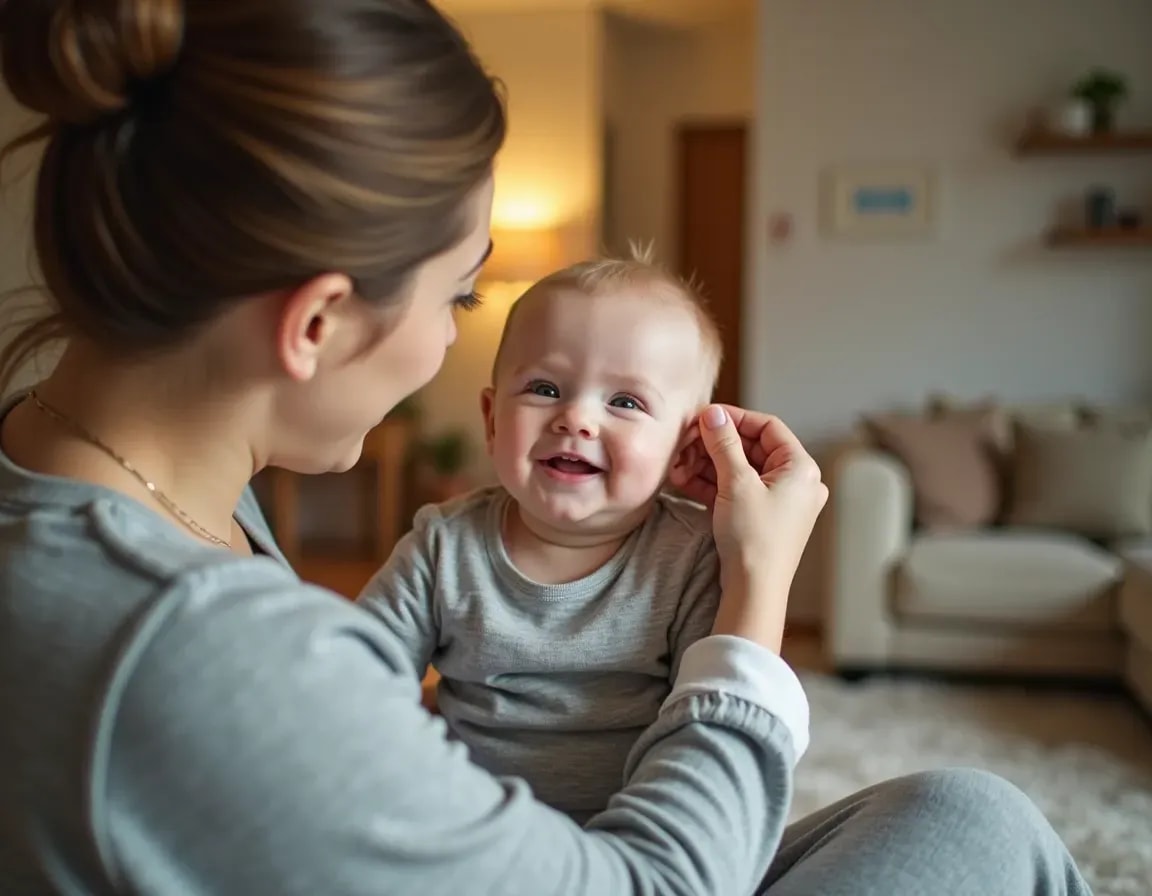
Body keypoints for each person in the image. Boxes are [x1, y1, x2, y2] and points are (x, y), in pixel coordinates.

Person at [0, 1, 1091, 894]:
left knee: (959, 808)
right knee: (990, 843)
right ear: (318, 322)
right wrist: (760, 595)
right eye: (460, 294)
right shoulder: (195, 646)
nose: (448, 340)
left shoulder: (152, 490)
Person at [359, 250, 736, 823]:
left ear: (686, 449)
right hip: (470, 829)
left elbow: (708, 721)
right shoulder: (444, 545)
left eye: (625, 402)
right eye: (544, 388)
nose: (577, 419)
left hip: (625, 839)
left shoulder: (688, 559)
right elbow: (358, 679)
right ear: (491, 420)